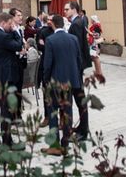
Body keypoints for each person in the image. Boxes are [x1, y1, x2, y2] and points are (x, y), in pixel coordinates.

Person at [42, 14, 83, 156]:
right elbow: (79, 61)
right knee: (67, 112)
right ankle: (65, 145)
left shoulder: (50, 40)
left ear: (53, 24)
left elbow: (47, 64)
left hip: (55, 81)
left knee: (53, 113)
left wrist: (45, 80)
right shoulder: (73, 39)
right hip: (70, 81)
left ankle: (54, 146)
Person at [0, 12, 24, 146]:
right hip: (5, 76)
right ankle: (7, 141)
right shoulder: (4, 36)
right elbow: (19, 45)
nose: (10, 26)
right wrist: (16, 32)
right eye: (9, 24)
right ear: (3, 23)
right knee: (6, 109)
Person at [64, 1, 91, 140]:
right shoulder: (80, 22)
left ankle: (84, 131)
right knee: (80, 98)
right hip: (79, 66)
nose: (65, 11)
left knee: (80, 98)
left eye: (67, 9)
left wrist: (74, 66)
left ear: (74, 9)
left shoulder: (75, 24)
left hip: (76, 67)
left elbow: (77, 48)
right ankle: (82, 127)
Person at [36, 13, 54, 127]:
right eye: (47, 19)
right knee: (46, 91)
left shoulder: (59, 31)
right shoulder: (42, 31)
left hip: (57, 64)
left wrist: (47, 44)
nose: (48, 21)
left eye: (51, 19)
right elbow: (39, 46)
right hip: (45, 63)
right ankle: (47, 116)